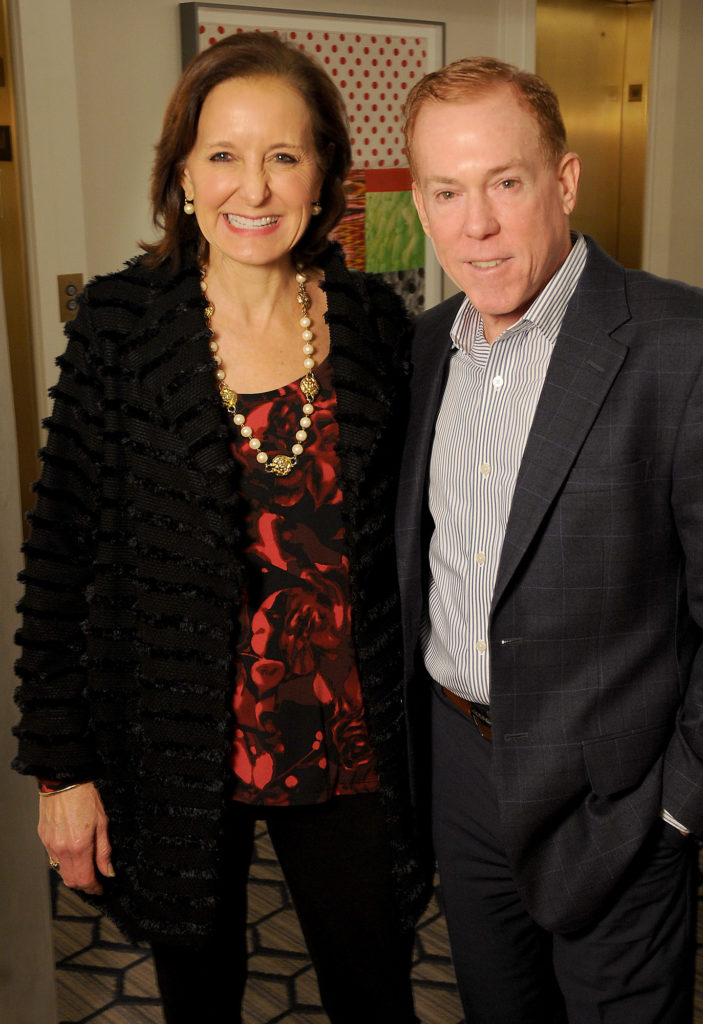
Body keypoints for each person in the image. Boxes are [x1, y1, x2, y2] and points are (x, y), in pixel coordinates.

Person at [12, 31, 431, 1024]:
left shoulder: (377, 322)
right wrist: (59, 773)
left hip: (348, 743)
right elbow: (60, 564)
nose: (255, 185)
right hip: (175, 743)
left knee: (376, 994)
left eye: (284, 154)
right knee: (200, 1002)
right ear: (184, 174)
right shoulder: (120, 328)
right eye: (225, 154)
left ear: (323, 172)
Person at [396, 56, 703, 1024]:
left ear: (564, 180)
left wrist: (682, 805)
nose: (477, 223)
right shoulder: (426, 347)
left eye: (505, 182)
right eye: (447, 190)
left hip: (619, 798)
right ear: (421, 204)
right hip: (461, 777)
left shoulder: (695, 350)